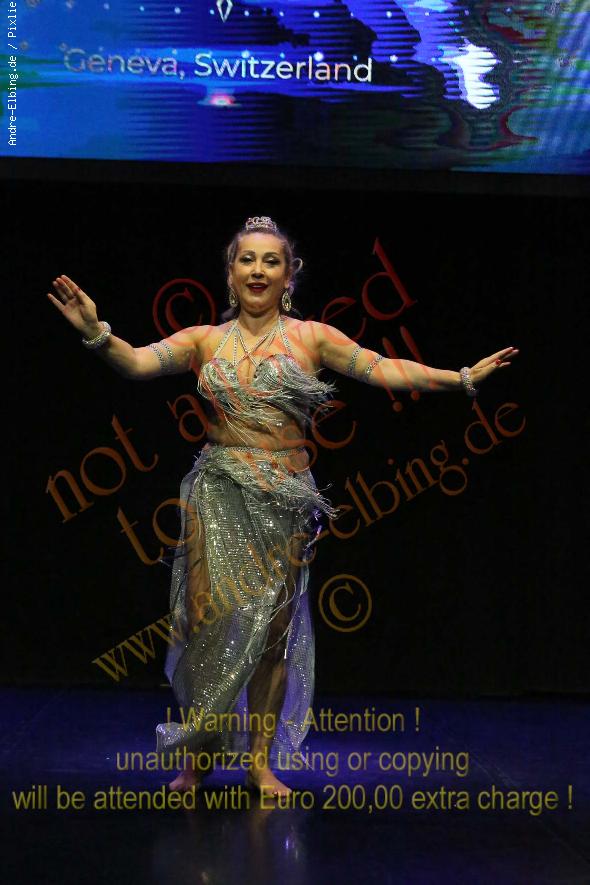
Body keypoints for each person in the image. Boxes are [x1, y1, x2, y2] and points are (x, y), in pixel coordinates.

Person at [47, 215, 519, 798]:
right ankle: (197, 757)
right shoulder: (203, 341)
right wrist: (96, 331)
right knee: (204, 623)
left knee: (273, 631)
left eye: (271, 261)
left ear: (288, 276)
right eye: (247, 259)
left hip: (285, 497)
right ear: (230, 273)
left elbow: (383, 368)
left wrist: (460, 378)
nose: (258, 270)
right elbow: (139, 362)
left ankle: (259, 765)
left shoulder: (312, 338)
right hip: (217, 492)